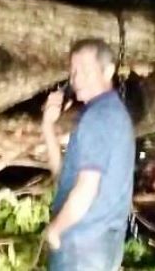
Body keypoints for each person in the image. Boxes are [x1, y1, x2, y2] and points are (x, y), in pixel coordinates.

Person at [41, 38, 135, 271]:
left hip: (81, 246)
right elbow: (63, 176)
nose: (76, 79)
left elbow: (86, 188)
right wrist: (47, 127)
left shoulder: (98, 118)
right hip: (101, 246)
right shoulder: (111, 114)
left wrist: (56, 229)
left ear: (108, 71)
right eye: (73, 71)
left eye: (85, 70)